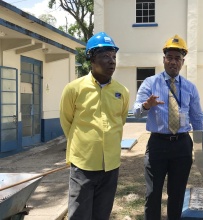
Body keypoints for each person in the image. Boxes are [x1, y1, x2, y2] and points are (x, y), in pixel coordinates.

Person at [133, 34, 203, 220]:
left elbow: (197, 119)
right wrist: (146, 106)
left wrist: (201, 147)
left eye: (177, 59)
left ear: (182, 62)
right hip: (158, 144)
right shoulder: (150, 83)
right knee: (153, 193)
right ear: (163, 60)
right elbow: (136, 112)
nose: (173, 62)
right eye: (170, 58)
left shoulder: (190, 88)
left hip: (182, 145)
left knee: (177, 193)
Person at [59, 32, 129, 220]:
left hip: (110, 167)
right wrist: (83, 145)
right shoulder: (74, 89)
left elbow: (120, 121)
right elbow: (67, 121)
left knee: (102, 215)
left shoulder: (122, 92)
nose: (111, 61)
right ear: (91, 58)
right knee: (79, 216)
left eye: (114, 56)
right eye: (105, 56)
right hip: (83, 165)